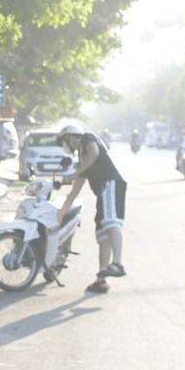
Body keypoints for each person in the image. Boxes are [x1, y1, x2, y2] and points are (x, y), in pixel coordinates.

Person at [57, 124, 126, 294]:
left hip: (110, 185)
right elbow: (74, 192)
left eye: (65, 141)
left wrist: (74, 173)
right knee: (102, 237)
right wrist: (61, 212)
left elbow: (94, 153)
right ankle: (101, 281)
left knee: (111, 223)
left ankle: (117, 263)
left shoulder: (87, 138)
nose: (66, 146)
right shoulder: (83, 161)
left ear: (71, 137)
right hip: (102, 193)